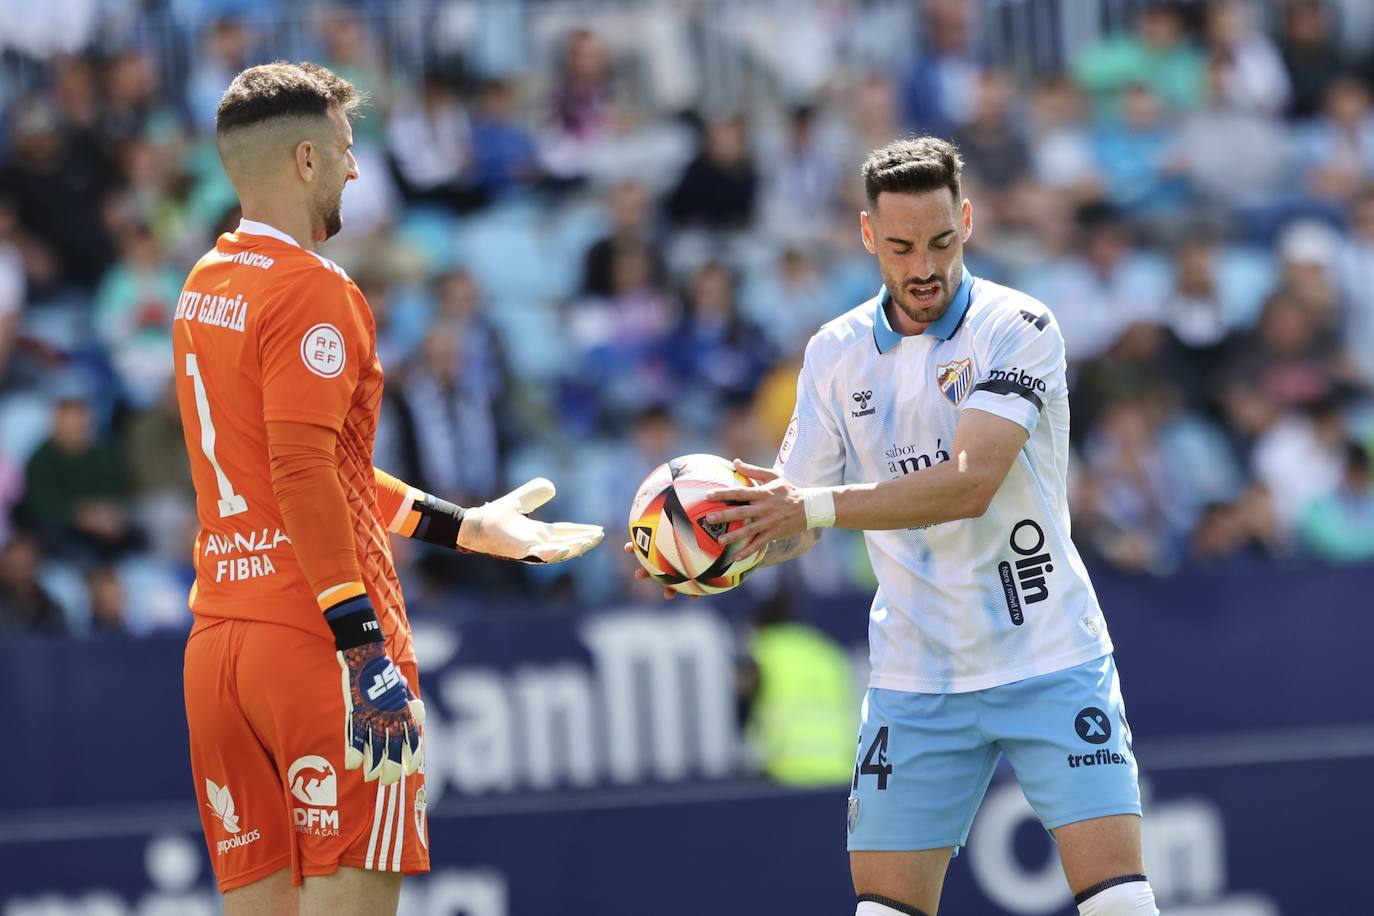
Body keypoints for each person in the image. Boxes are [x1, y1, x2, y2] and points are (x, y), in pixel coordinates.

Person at [633, 138, 1157, 916]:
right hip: (917, 674)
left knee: (1116, 903)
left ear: (969, 222)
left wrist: (810, 506)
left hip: (1047, 650)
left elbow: (971, 482)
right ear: (868, 235)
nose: (925, 267)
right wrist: (719, 548)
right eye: (903, 245)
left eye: (942, 242)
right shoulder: (834, 352)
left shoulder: (1020, 326)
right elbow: (798, 515)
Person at [176, 62, 602, 915]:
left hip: (221, 649)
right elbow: (302, 475)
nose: (355, 169)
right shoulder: (315, 292)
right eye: (342, 147)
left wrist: (463, 527)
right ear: (304, 160)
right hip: (317, 645)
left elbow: (311, 466)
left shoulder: (207, 283)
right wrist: (362, 646)